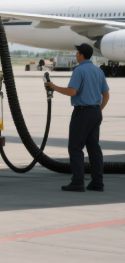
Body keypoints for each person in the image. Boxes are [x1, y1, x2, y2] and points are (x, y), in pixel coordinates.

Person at [45, 43, 110, 192]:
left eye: (77, 53)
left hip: (82, 112)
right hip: (95, 112)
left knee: (75, 147)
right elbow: (106, 95)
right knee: (94, 148)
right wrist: (97, 110)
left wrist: (54, 87)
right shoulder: (98, 70)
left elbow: (72, 91)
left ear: (81, 55)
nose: (76, 55)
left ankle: (78, 181)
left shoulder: (79, 70)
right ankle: (97, 182)